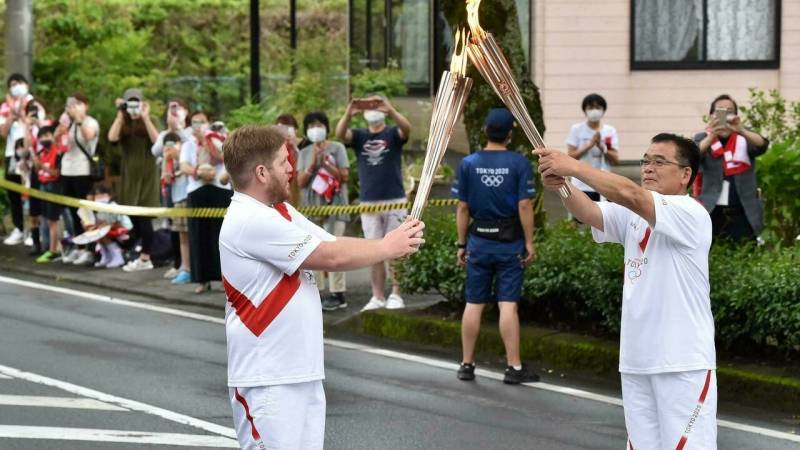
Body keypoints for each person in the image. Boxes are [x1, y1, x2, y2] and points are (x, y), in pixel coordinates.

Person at [219, 125, 424, 450]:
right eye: (283, 161)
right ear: (261, 172)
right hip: (267, 378)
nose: (291, 168)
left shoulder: (280, 212)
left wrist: (396, 239)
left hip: (300, 371)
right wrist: (387, 247)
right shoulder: (248, 220)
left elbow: (333, 242)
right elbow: (328, 256)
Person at [536, 134, 717, 449]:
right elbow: (591, 213)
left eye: (659, 162)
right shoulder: (636, 213)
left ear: (686, 174)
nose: (648, 168)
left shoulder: (691, 214)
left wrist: (574, 166)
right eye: (646, 160)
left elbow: (628, 194)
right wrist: (563, 184)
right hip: (636, 359)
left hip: (681, 362)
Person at [452, 108, 539, 385]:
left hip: (478, 241)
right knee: (507, 306)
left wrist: (461, 243)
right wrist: (529, 242)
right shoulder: (518, 163)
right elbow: (524, 205)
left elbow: (463, 207)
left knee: (473, 303)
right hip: (509, 242)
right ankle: (513, 368)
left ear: (485, 131)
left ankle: (466, 364)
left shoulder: (468, 163)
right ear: (510, 134)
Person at [336, 94, 413, 311]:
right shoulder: (360, 136)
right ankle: (377, 295)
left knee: (398, 248)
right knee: (374, 250)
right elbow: (340, 134)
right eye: (369, 105)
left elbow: (407, 129)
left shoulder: (392, 133)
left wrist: (391, 109)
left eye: (376, 104)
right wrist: (348, 113)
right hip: (369, 201)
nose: (373, 109)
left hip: (395, 199)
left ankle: (396, 293)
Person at [694, 94, 769, 243]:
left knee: (746, 253)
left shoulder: (744, 137)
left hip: (744, 211)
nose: (725, 115)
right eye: (720, 111)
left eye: (729, 111)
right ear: (711, 115)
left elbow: (762, 145)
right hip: (711, 211)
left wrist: (740, 129)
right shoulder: (703, 137)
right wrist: (711, 136)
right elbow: (691, 156)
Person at [296, 112, 350, 311]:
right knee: (314, 251)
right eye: (311, 126)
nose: (315, 129)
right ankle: (316, 292)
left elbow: (344, 176)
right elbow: (300, 182)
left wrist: (327, 163)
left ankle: (338, 293)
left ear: (326, 127)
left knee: (336, 248)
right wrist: (312, 164)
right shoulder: (304, 152)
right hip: (313, 207)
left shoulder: (338, 148)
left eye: (319, 125)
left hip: (335, 206)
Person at [108, 88, 161, 271]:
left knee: (144, 217)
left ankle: (145, 258)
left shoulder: (150, 120)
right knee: (132, 214)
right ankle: (134, 250)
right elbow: (112, 138)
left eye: (135, 102)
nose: (133, 107)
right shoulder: (124, 122)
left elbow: (157, 141)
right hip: (129, 173)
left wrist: (145, 117)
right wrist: (120, 115)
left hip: (148, 173)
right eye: (129, 103)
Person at [181, 110, 232, 293]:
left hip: (219, 188)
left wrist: (208, 140)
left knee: (222, 236)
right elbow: (183, 165)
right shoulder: (188, 144)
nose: (198, 125)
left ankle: (226, 279)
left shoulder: (221, 139)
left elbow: (225, 158)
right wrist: (198, 172)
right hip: (197, 189)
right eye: (194, 122)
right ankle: (201, 279)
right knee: (198, 235)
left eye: (202, 121)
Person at [151, 98, 194, 277]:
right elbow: (155, 151)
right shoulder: (164, 134)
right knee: (174, 227)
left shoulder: (190, 132)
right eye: (172, 110)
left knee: (186, 230)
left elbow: (190, 145)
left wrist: (178, 128)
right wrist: (169, 130)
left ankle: (188, 266)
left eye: (178, 109)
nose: (175, 113)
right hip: (169, 186)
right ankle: (178, 264)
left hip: (186, 188)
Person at [56, 93, 100, 266]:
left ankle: (90, 249)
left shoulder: (90, 122)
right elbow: (57, 142)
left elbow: (89, 137)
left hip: (83, 171)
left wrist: (79, 119)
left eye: (78, 104)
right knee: (73, 212)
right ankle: (79, 247)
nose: (74, 107)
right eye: (72, 104)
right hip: (67, 170)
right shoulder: (69, 124)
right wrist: (61, 126)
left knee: (86, 213)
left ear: (86, 106)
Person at [566, 93, 619, 201]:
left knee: (604, 215)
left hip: (604, 182)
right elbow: (570, 156)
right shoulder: (576, 129)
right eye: (591, 107)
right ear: (585, 110)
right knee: (582, 215)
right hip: (581, 183)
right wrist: (589, 145)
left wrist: (601, 146)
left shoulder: (609, 131)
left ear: (603, 110)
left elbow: (615, 159)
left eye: (598, 107)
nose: (594, 110)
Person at [1, 73, 34, 245]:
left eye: (19, 83)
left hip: (29, 153)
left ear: (26, 84)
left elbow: (35, 124)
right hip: (10, 153)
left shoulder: (32, 103)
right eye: (12, 84)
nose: (16, 87)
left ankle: (32, 231)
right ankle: (19, 228)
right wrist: (11, 115)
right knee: (13, 193)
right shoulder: (6, 107)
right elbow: (3, 132)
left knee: (29, 191)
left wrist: (20, 112)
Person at [32, 125, 63, 263]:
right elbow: (37, 172)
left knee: (53, 221)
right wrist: (36, 164)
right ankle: (51, 248)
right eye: (42, 137)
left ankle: (53, 251)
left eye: (47, 136)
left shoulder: (57, 153)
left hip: (53, 188)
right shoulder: (41, 153)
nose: (45, 139)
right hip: (42, 187)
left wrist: (42, 166)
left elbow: (56, 174)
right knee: (45, 219)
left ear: (52, 137)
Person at [275, 113, 301, 206]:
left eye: (288, 127)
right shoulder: (275, 148)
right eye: (281, 127)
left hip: (299, 190)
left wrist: (294, 146)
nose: (285, 131)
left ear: (295, 129)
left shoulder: (304, 144)